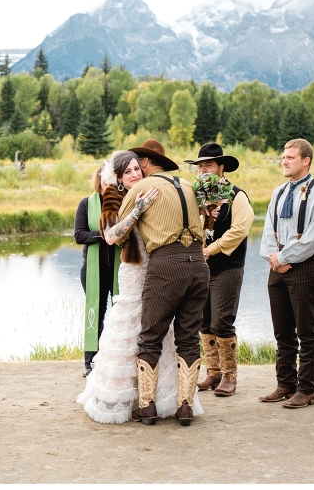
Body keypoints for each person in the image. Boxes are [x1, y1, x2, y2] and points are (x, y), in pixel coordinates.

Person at [77, 151, 204, 424]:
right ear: (119, 180)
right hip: (135, 271)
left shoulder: (154, 193)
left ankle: (167, 400)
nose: (135, 174)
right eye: (128, 172)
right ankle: (130, 399)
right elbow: (111, 237)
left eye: (137, 169)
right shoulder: (116, 200)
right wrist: (136, 209)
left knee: (161, 333)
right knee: (133, 333)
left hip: (161, 270)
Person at [112, 139, 210, 427]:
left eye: (139, 163)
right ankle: (185, 408)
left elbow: (119, 234)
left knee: (150, 336)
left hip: (167, 266)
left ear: (146, 164)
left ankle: (148, 407)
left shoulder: (143, 189)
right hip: (198, 265)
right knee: (189, 338)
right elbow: (204, 225)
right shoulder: (188, 186)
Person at [258, 138, 314, 408]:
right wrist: (272, 257)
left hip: (305, 268)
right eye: (283, 156)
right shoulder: (279, 192)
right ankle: (285, 383)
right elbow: (268, 228)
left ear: (306, 161)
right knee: (282, 332)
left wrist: (284, 256)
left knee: (307, 331)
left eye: (291, 157)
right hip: (276, 267)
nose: (284, 161)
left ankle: (307, 389)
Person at [184, 143, 254, 397]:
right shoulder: (198, 196)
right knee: (204, 321)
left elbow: (240, 230)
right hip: (203, 268)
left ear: (221, 168)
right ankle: (212, 373)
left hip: (228, 267)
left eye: (209, 165)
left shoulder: (237, 195)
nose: (203, 169)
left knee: (222, 321)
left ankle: (229, 376)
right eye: (200, 166)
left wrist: (209, 250)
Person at [74, 165, 121, 377]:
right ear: (99, 178)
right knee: (97, 314)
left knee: (120, 315)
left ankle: (117, 359)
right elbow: (79, 235)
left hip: (119, 269)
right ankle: (90, 361)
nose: (108, 181)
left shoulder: (123, 202)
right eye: (105, 176)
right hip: (94, 270)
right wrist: (104, 235)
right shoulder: (86, 204)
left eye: (113, 177)